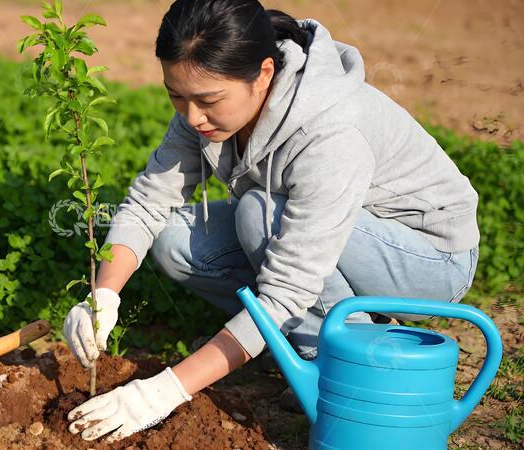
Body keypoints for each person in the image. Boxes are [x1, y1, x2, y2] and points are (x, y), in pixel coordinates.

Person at [61, 0, 480, 443]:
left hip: (428, 259)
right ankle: (326, 337)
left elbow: (286, 288)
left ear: (263, 74)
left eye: (207, 101)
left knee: (259, 214)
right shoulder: (203, 105)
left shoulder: (329, 130)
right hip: (327, 237)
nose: (191, 117)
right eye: (176, 96)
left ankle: (344, 363)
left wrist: (163, 392)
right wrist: (104, 295)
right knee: (175, 240)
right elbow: (149, 201)